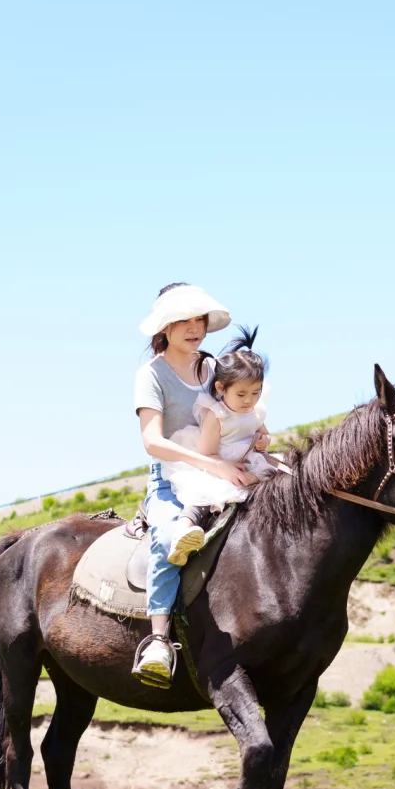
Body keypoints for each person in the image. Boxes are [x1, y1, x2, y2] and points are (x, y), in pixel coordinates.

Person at [132, 283, 257, 686]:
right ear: (164, 327)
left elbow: (239, 405)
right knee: (169, 540)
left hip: (228, 465)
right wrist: (212, 466)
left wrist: (257, 436)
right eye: (183, 320)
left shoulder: (214, 367)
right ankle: (158, 639)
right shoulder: (151, 375)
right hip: (172, 477)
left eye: (199, 319)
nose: (193, 327)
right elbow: (153, 441)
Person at [159, 328, 279, 513]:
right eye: (241, 394)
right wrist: (226, 469)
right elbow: (208, 453)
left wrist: (265, 441)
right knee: (206, 494)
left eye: (256, 392)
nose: (249, 400)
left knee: (279, 479)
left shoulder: (256, 410)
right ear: (221, 387)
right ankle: (187, 526)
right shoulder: (217, 416)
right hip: (218, 466)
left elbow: (263, 432)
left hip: (249, 461)